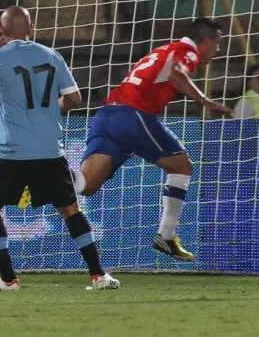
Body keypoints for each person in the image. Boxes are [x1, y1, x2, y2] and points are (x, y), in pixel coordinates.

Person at [0, 6, 119, 292]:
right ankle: (99, 276)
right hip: (51, 149)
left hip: (11, 150)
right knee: (70, 209)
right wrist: (51, 109)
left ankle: (8, 279)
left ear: (1, 32)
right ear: (32, 28)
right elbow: (74, 97)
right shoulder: (52, 55)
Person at [73, 17, 233, 262]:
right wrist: (206, 101)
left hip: (107, 115)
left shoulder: (164, 48)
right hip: (133, 115)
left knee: (86, 185)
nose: (218, 50)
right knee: (182, 165)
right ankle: (166, 236)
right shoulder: (187, 51)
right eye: (218, 43)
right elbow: (176, 73)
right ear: (207, 41)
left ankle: (43, 177)